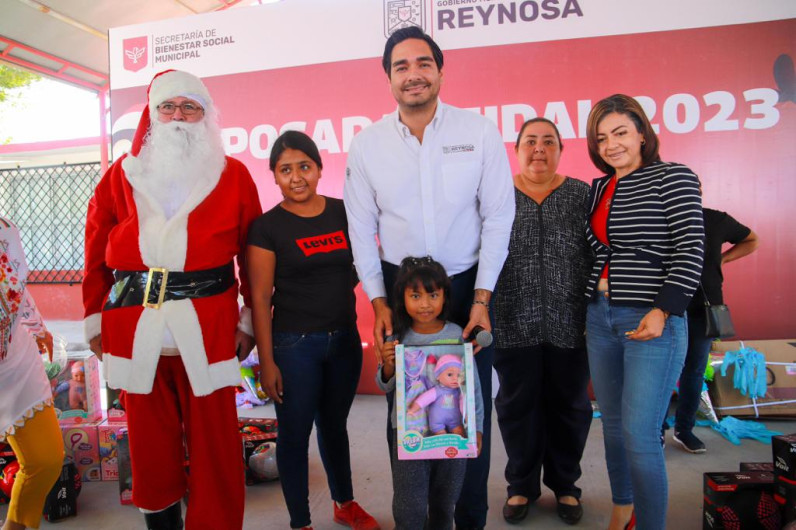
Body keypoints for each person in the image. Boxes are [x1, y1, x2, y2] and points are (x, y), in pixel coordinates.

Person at [344, 26, 514, 530]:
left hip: (466, 289)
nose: (413, 74)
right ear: (389, 78)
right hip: (400, 291)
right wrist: (378, 303)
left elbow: (498, 217)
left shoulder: (478, 132)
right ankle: (416, 516)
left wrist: (482, 297)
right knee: (409, 407)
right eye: (401, 66)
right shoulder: (367, 144)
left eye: (423, 63)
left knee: (469, 408)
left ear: (440, 70)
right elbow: (361, 229)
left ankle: (470, 520)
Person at [82, 70, 262, 530]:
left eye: (191, 107)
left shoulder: (233, 175)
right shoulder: (121, 175)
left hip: (209, 329)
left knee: (217, 449)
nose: (179, 116)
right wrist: (94, 320)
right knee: (150, 449)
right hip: (134, 329)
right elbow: (95, 252)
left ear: (207, 116)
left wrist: (248, 322)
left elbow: (253, 257)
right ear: (153, 114)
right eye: (169, 107)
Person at [247, 131, 379, 530]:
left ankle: (344, 503)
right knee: (294, 433)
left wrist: (334, 294)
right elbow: (259, 298)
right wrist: (267, 361)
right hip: (293, 347)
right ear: (274, 176)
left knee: (334, 426)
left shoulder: (344, 212)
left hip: (343, 341)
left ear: (320, 169)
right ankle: (300, 521)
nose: (296, 177)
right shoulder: (267, 228)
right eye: (285, 169)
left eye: (304, 166)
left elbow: (364, 266)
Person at [584, 94, 704, 530]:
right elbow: (598, 249)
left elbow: (691, 249)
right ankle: (623, 512)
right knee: (613, 428)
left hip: (653, 321)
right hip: (599, 316)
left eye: (620, 133)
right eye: (601, 138)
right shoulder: (600, 187)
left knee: (639, 436)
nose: (611, 145)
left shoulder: (673, 178)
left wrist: (663, 311)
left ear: (642, 133)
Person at [492, 118, 592, 525]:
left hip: (572, 323)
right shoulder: (497, 196)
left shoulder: (581, 195)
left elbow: (600, 254)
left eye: (548, 141)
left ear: (560, 150)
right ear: (516, 150)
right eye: (530, 141)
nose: (538, 149)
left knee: (570, 407)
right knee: (518, 408)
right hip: (512, 323)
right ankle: (520, 485)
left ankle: (566, 485)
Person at [376, 256, 484, 530]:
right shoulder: (398, 338)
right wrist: (388, 365)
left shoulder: (458, 335)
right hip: (409, 436)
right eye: (415, 295)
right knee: (408, 507)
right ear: (403, 299)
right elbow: (386, 386)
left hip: (453, 437)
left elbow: (472, 390)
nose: (424, 304)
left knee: (444, 504)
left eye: (432, 295)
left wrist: (478, 429)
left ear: (444, 296)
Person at [668, 207, 759, 453]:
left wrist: (723, 258)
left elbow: (752, 240)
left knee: (695, 370)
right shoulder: (658, 218)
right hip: (664, 307)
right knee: (661, 370)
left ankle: (684, 430)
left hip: (704, 307)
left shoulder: (716, 219)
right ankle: (654, 432)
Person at [0, 219, 64, 530]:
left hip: (15, 359)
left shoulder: (4, 229)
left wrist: (38, 327)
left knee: (46, 459)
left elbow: (16, 288)